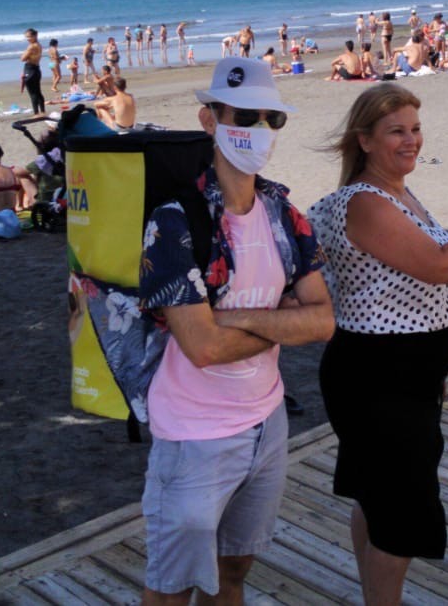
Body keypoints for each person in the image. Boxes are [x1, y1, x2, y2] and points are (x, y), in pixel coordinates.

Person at [309, 83, 448, 605]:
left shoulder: (396, 191)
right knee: (400, 512)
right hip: (379, 375)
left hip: (402, 371)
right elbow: (443, 266)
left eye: (416, 128)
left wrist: (434, 368)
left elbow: (422, 284)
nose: (412, 141)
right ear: (365, 140)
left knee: (376, 498)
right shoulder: (366, 201)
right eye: (396, 131)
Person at [137, 56, 334, 605]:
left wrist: (239, 317)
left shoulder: (282, 212)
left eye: (272, 120)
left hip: (266, 426)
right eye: (243, 117)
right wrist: (284, 320)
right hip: (194, 437)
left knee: (233, 575)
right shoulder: (174, 221)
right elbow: (203, 347)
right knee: (172, 587)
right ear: (209, 121)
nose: (258, 132)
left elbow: (323, 319)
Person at [21, 28, 46, 114]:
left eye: (29, 37)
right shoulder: (39, 45)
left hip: (30, 69)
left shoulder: (32, 46)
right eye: (26, 37)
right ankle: (42, 111)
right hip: (36, 69)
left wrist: (25, 54)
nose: (27, 39)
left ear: (35, 36)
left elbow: (23, 58)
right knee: (38, 92)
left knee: (33, 93)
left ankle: (36, 113)